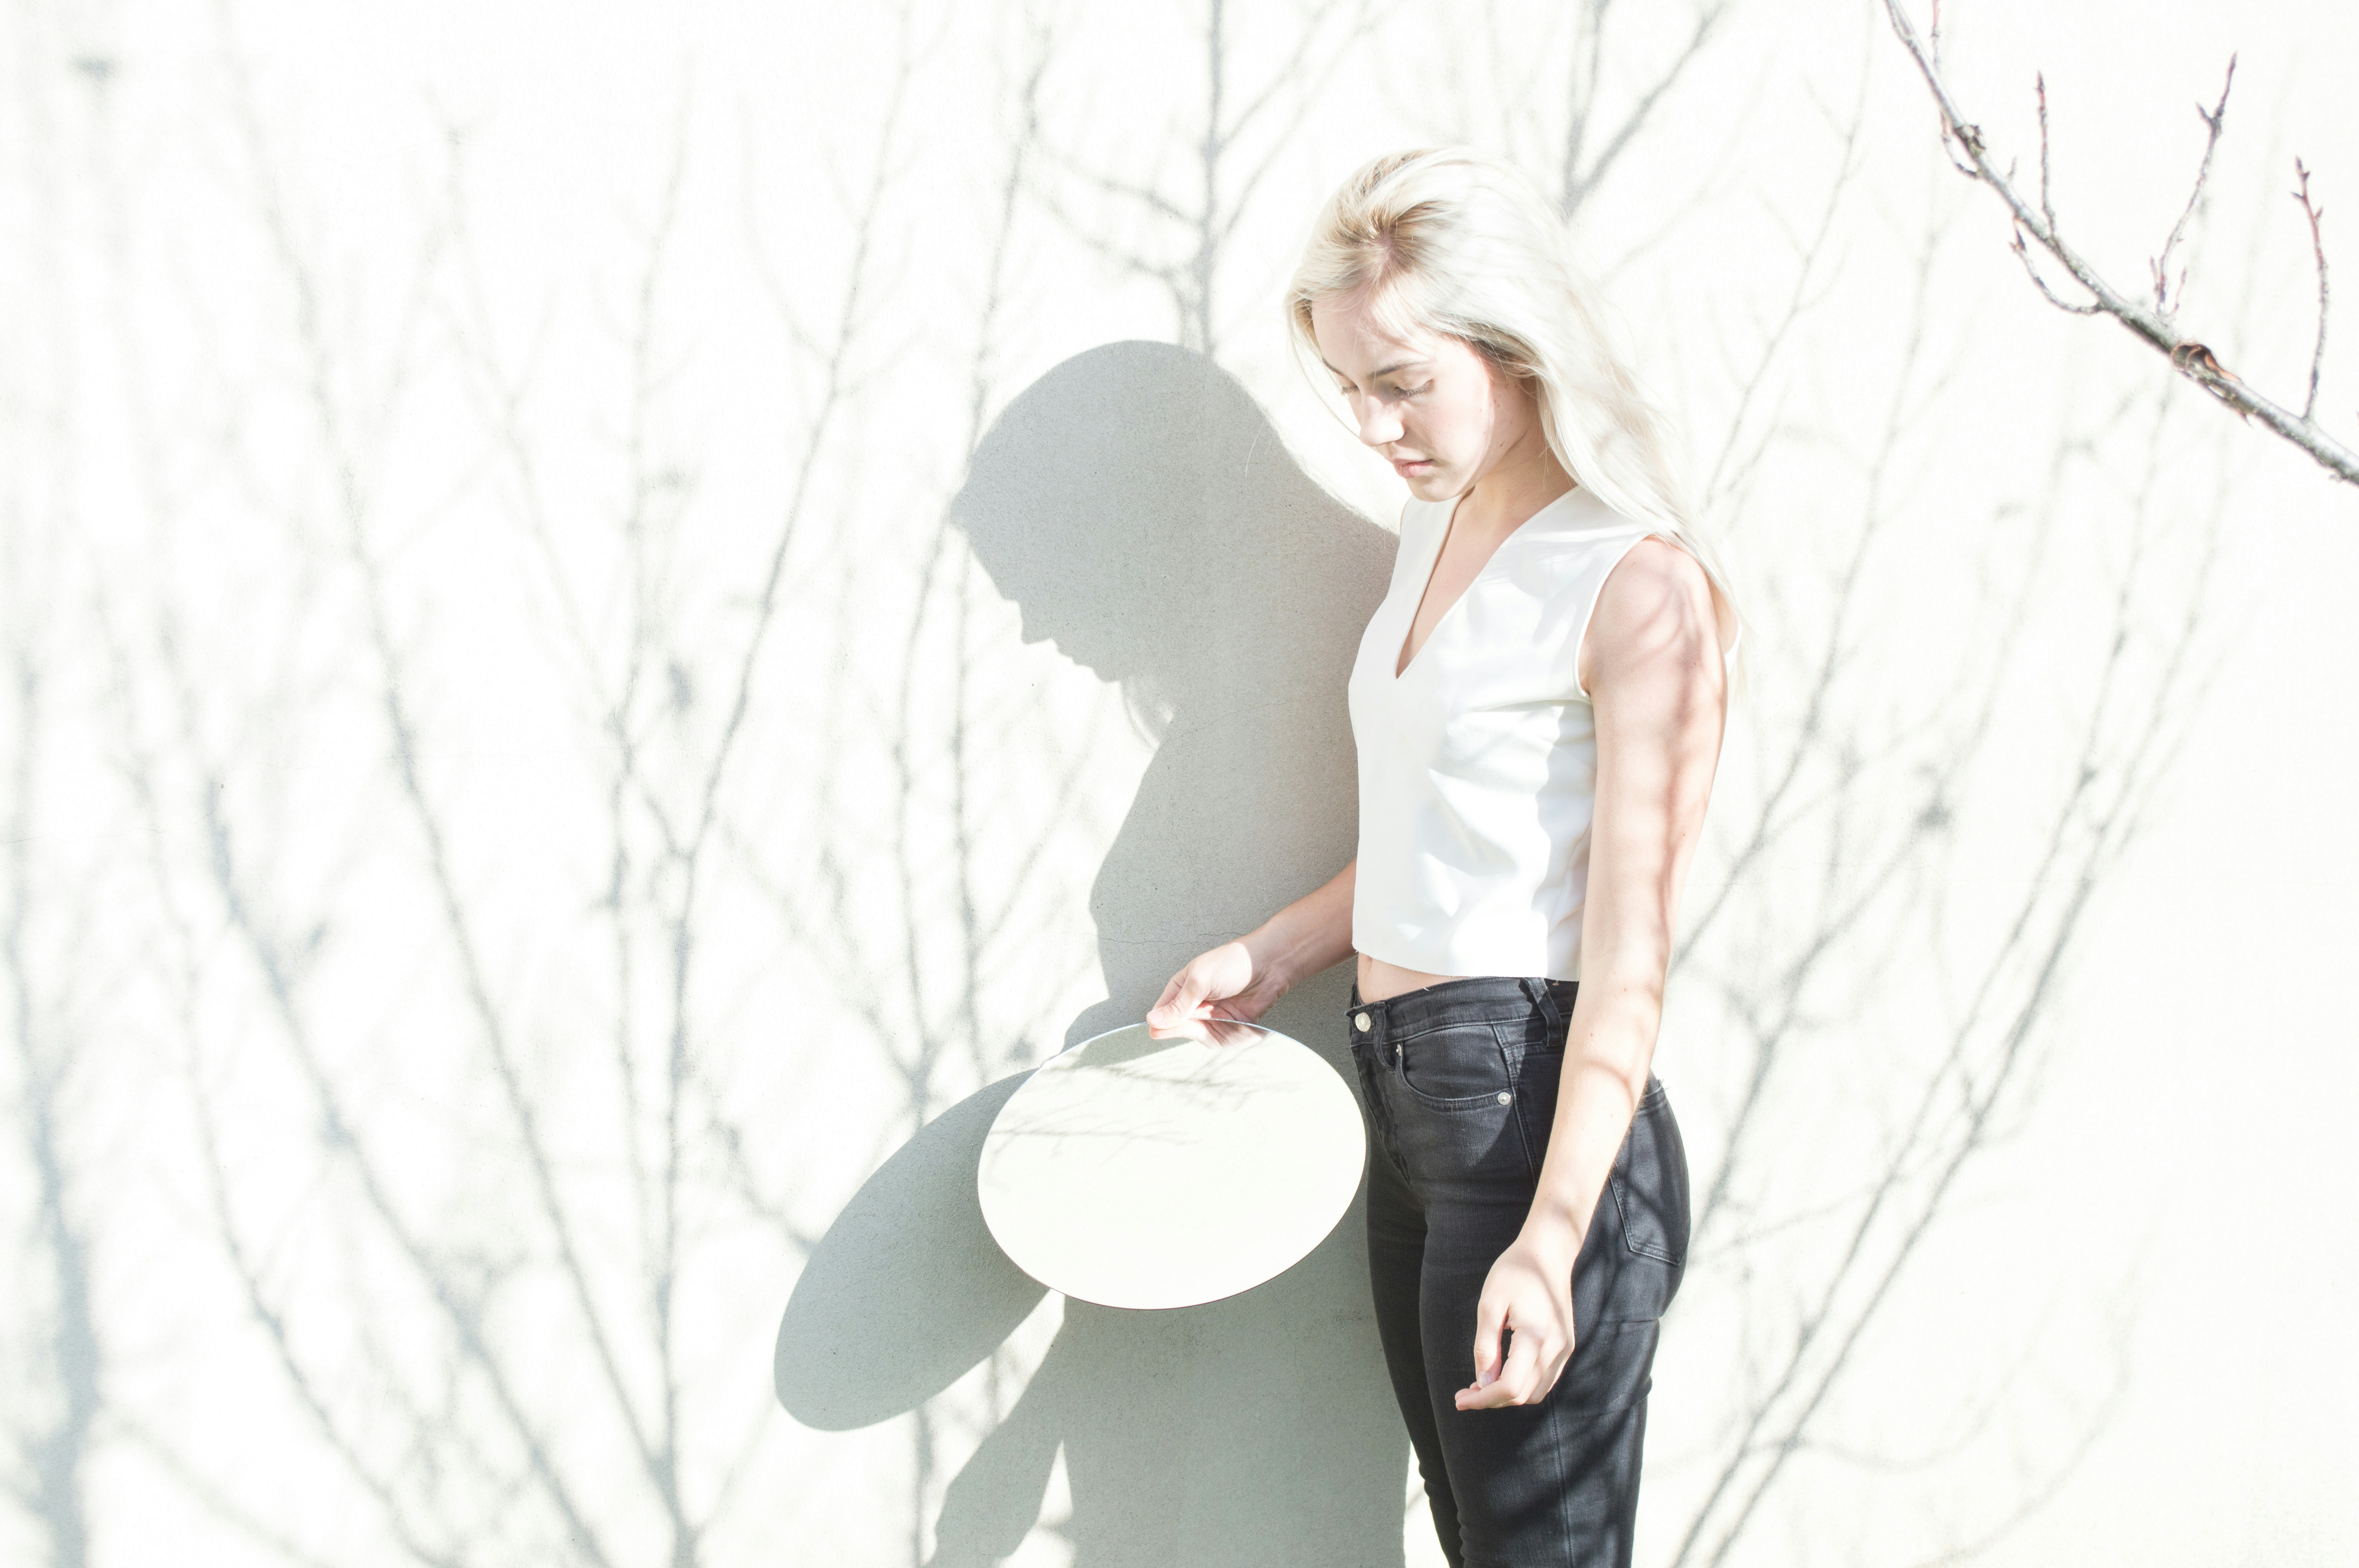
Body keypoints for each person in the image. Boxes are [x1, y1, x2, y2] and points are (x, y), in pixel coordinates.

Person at [1143, 146, 1742, 1568]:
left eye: (1403, 380)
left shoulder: (1635, 582)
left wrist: (1554, 1234)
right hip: (1411, 1114)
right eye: (1350, 386)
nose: (1373, 425)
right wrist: (1273, 952)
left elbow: (1629, 949)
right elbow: (1446, 836)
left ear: (1514, 345)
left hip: (1538, 1125)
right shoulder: (1435, 529)